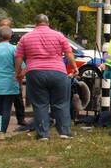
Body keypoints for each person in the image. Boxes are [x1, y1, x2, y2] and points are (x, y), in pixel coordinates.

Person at [14, 13, 76, 141]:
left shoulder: (26, 38)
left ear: (35, 24)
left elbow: (18, 57)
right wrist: (74, 67)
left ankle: (43, 134)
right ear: (48, 23)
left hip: (35, 73)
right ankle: (64, 132)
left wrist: (18, 72)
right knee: (61, 103)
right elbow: (68, 52)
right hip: (58, 72)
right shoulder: (58, 35)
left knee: (40, 104)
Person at [0, 17, 30, 129]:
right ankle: (1, 120)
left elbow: (20, 55)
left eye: (5, 26)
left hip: (14, 69)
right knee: (2, 99)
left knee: (18, 97)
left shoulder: (16, 39)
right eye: (2, 26)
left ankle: (21, 118)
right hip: (2, 70)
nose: (3, 28)